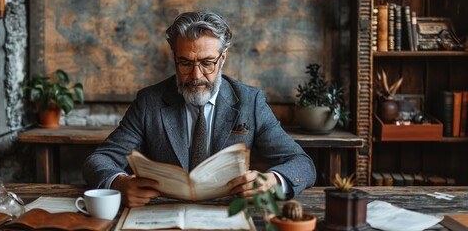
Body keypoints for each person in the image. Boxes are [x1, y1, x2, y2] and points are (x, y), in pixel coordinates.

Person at [83, 11, 316, 207]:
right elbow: (99, 160)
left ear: (222, 58)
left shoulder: (250, 102)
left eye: (207, 63)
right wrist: (118, 184)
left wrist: (273, 181)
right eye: (185, 63)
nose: (196, 76)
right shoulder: (149, 102)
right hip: (163, 214)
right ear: (175, 58)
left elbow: (302, 163)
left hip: (227, 214)